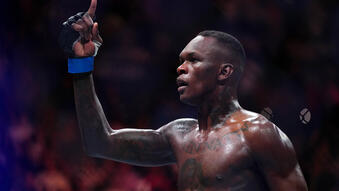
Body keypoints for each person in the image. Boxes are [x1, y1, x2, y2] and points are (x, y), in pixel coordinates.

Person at [59, 0, 308, 190]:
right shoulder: (179, 135)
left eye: (193, 60)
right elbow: (99, 143)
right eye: (180, 61)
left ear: (224, 72)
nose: (180, 68)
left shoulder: (259, 134)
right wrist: (81, 65)